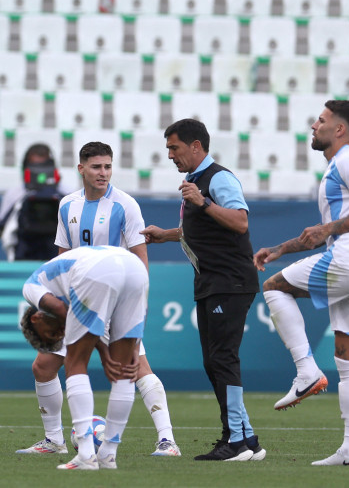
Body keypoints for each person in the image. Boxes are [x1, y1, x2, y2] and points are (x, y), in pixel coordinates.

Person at [16, 142, 179, 459]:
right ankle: (54, 440)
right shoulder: (67, 205)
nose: (103, 173)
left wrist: (137, 305)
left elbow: (140, 260)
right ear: (81, 169)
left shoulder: (126, 205)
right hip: (80, 300)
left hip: (117, 297)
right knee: (44, 365)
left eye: (107, 166)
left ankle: (167, 440)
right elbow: (64, 258)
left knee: (135, 366)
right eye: (96, 167)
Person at [255, 100, 349, 468]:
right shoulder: (341, 167)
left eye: (322, 120)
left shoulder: (347, 160)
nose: (314, 125)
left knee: (274, 288)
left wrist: (328, 229)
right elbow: (321, 235)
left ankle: (305, 370)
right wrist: (280, 248)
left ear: (340, 130)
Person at [141, 118, 265, 462]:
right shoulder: (196, 182)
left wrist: (203, 202)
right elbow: (201, 229)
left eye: (174, 147)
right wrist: (165, 234)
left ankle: (235, 440)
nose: (170, 155)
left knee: (222, 359)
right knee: (215, 361)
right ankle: (247, 437)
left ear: (196, 146)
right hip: (213, 281)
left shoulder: (218, 179)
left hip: (229, 280)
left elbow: (240, 221)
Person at [20, 245, 149, 471]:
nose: (60, 334)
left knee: (74, 361)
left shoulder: (30, 287)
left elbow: (61, 309)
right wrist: (133, 348)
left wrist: (102, 349)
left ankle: (87, 455)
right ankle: (108, 454)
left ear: (36, 319)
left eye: (52, 333)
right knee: (124, 368)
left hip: (97, 271)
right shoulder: (56, 279)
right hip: (135, 268)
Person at [0, 143, 66, 261]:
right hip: (23, 257)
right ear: (26, 168)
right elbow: (2, 230)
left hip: (57, 259)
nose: (40, 173)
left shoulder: (67, 194)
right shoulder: (14, 195)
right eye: (35, 167)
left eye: (44, 166)